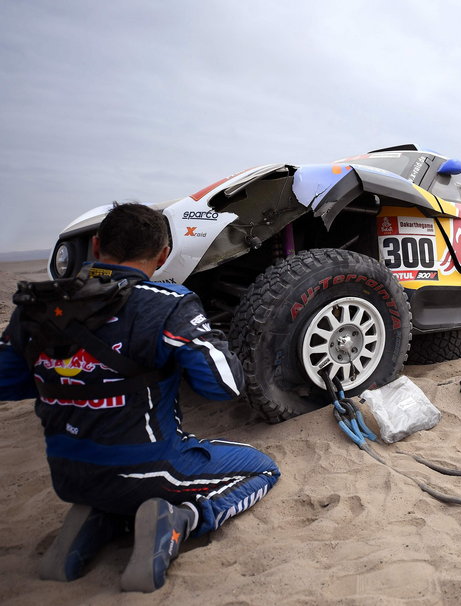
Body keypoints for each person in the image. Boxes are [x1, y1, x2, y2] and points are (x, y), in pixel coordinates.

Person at [0, 202, 280, 591]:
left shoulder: (37, 306)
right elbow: (223, 386)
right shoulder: (167, 304)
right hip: (147, 467)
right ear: (163, 255)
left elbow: (8, 382)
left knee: (114, 483)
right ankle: (183, 521)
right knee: (263, 469)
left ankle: (104, 519)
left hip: (66, 473)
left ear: (96, 247)